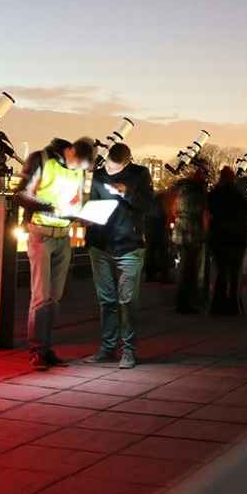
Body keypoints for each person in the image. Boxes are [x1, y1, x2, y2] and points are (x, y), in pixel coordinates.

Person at [16, 136, 95, 371]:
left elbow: (78, 200)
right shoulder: (41, 159)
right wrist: (51, 207)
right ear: (69, 150)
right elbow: (21, 195)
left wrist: (83, 214)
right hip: (41, 234)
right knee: (40, 296)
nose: (74, 170)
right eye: (74, 164)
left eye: (80, 168)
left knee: (55, 297)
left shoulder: (79, 170)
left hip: (64, 236)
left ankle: (46, 348)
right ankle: (37, 351)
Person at [85, 143, 154, 368]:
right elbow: (93, 204)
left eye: (115, 169)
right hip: (100, 244)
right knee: (106, 300)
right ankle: (107, 347)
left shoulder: (140, 174)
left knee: (128, 301)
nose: (110, 172)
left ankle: (128, 350)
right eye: (108, 167)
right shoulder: (98, 175)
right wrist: (86, 216)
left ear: (127, 162)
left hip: (130, 246)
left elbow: (148, 205)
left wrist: (127, 193)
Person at [206, 167, 247, 316]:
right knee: (234, 273)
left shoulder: (214, 194)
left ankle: (217, 306)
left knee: (221, 272)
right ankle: (233, 306)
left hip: (218, 238)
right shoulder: (238, 194)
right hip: (237, 239)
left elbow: (207, 208)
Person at [170, 164, 209, 314]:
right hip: (193, 233)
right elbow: (203, 212)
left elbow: (174, 210)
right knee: (190, 270)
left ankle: (181, 301)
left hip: (180, 232)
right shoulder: (199, 193)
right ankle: (186, 303)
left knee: (183, 268)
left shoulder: (182, 191)